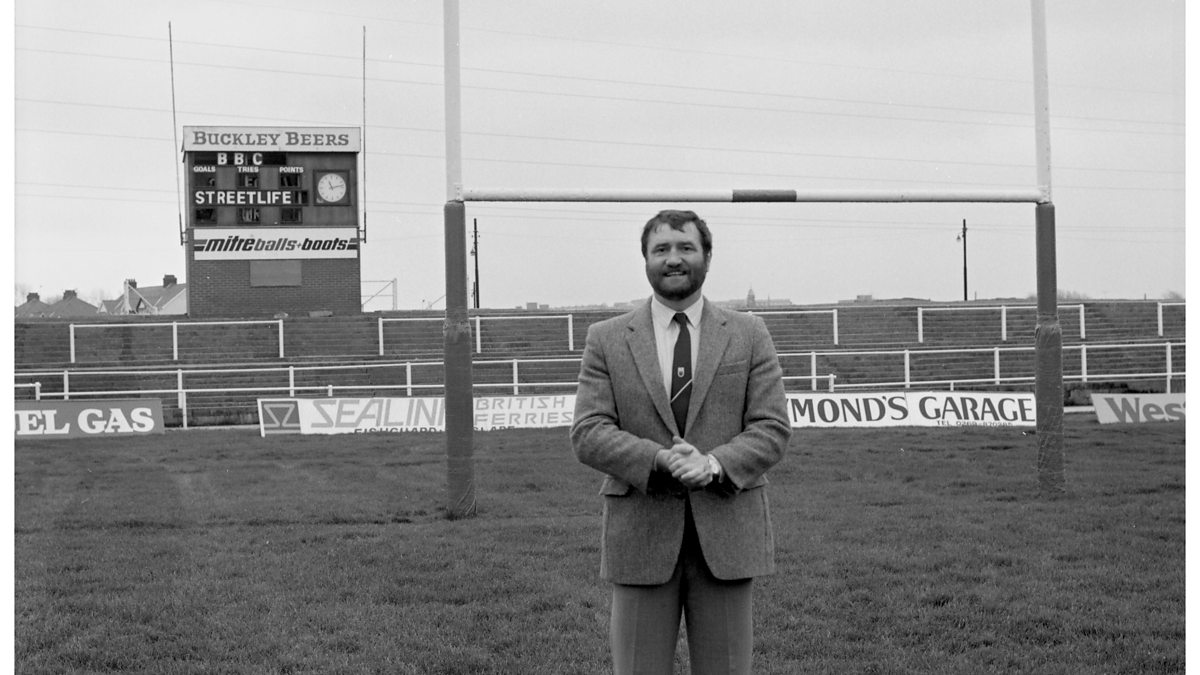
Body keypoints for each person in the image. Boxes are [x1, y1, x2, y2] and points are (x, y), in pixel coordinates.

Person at [570, 209, 792, 675]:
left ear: (707, 257)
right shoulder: (606, 339)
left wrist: (712, 464)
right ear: (646, 260)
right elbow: (589, 432)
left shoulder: (750, 335)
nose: (674, 259)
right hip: (640, 537)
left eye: (686, 247)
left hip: (728, 536)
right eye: (661, 249)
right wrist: (660, 460)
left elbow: (771, 427)